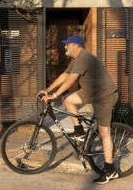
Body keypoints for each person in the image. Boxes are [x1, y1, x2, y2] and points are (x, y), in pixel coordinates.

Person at [38, 34, 120, 184]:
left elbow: (70, 80)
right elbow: (64, 75)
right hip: (91, 92)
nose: (65, 46)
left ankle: (110, 171)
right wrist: (47, 90)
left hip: (104, 96)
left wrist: (54, 95)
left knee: (104, 133)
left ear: (76, 45)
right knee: (67, 99)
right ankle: (79, 131)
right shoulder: (76, 59)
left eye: (67, 44)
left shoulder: (84, 58)